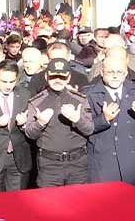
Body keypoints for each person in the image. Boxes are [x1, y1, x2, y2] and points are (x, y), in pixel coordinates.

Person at [85, 56, 135, 190]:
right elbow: (83, 128)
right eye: (110, 72)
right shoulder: (89, 94)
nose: (115, 76)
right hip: (104, 162)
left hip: (134, 164)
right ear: (101, 72)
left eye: (119, 72)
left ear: (125, 73)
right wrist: (103, 119)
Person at [24, 58, 94, 187]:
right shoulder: (37, 101)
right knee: (49, 205)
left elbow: (89, 129)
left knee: (79, 204)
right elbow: (30, 134)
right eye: (53, 76)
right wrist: (40, 122)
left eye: (61, 77)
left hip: (77, 163)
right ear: (46, 76)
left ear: (68, 78)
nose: (57, 80)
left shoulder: (79, 99)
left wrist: (77, 119)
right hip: (49, 165)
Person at [0, 60, 34, 192]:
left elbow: (33, 126)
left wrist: (25, 123)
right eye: (3, 81)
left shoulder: (25, 94)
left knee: (17, 203)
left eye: (12, 81)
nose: (8, 86)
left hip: (19, 159)